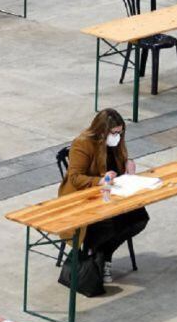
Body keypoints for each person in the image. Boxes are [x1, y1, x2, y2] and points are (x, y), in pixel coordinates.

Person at [59, 109, 149, 285]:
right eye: (114, 133)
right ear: (102, 131)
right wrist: (101, 180)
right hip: (83, 195)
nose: (117, 136)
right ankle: (98, 255)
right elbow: (75, 178)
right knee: (111, 223)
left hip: (111, 192)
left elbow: (118, 164)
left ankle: (104, 254)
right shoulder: (82, 144)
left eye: (119, 133)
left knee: (139, 217)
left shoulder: (117, 143)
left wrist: (128, 167)